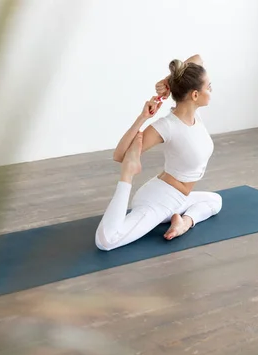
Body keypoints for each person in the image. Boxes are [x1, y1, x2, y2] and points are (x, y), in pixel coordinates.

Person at [95, 54, 222, 251]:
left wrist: (168, 81)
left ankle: (183, 223)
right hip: (159, 200)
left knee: (215, 201)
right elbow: (119, 155)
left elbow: (197, 59)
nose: (212, 90)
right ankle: (127, 178)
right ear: (195, 95)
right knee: (108, 241)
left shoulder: (195, 114)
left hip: (180, 198)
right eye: (209, 87)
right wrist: (142, 117)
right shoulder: (168, 126)